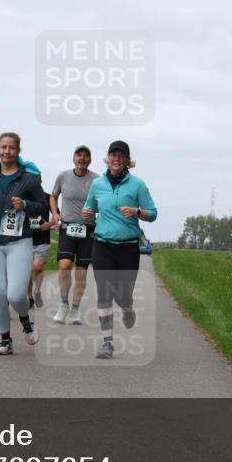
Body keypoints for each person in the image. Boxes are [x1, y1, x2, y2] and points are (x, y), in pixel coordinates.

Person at [0, 133, 47, 355]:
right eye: (3, 147)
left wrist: (24, 204)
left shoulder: (29, 180)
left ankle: (26, 323)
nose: (7, 151)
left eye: (11, 148)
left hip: (19, 242)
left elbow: (42, 207)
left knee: (15, 295)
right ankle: (5, 340)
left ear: (18, 151)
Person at [81, 140, 157, 359]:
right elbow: (90, 207)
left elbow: (153, 214)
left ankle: (127, 307)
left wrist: (137, 211)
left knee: (123, 294)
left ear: (127, 160)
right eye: (113, 154)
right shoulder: (97, 184)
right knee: (104, 292)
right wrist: (87, 213)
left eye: (120, 155)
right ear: (108, 158)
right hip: (102, 244)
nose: (116, 158)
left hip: (128, 248)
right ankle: (107, 343)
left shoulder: (138, 185)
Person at [50, 145, 100, 325]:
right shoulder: (63, 176)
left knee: (81, 272)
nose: (82, 158)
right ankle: (63, 304)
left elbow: (103, 203)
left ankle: (75, 310)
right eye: (79, 155)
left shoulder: (97, 180)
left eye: (86, 156)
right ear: (73, 158)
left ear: (90, 160)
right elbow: (53, 196)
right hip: (68, 226)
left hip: (88, 229)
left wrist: (95, 211)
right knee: (64, 265)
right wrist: (55, 214)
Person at [20, 158, 53, 309]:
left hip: (42, 239)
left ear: (39, 179)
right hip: (25, 239)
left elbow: (59, 215)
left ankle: (37, 291)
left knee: (37, 267)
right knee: (26, 270)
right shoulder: (22, 198)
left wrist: (50, 224)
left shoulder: (47, 197)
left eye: (34, 178)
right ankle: (30, 297)